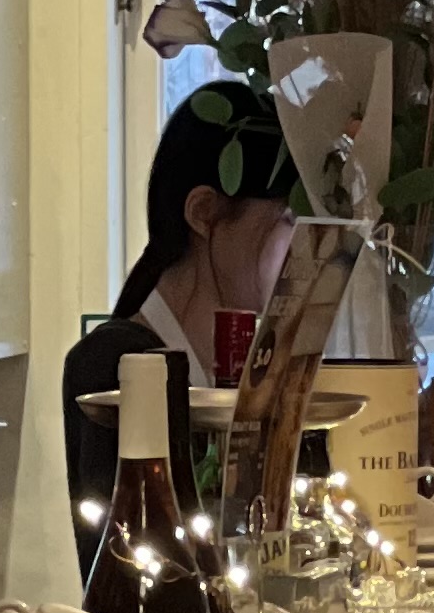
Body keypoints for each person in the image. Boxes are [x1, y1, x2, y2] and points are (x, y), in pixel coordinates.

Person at [62, 88, 298, 577]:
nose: (300, 250)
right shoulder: (115, 363)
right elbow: (139, 573)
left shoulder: (252, 362)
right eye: (285, 222)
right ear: (203, 212)